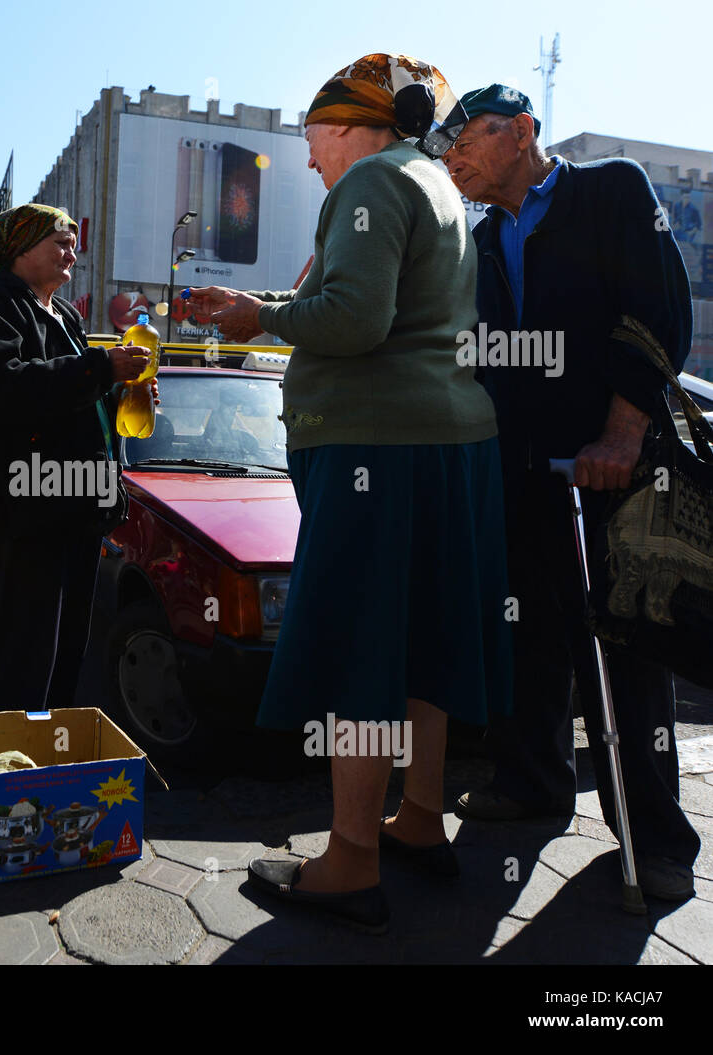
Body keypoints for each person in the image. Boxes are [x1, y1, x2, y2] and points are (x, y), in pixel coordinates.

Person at [189, 53, 511, 932]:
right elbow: (378, 305)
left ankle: (350, 860)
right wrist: (258, 305)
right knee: (428, 643)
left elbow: (356, 322)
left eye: (311, 138)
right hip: (453, 443)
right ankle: (419, 818)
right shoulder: (436, 183)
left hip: (377, 446)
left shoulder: (368, 180)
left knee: (363, 651)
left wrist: (258, 318)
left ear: (349, 125)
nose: (307, 160)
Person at [443, 84, 699, 900]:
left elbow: (659, 309)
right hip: (524, 470)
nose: (454, 158)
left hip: (612, 471)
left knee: (628, 647)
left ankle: (657, 838)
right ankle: (532, 781)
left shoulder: (611, 190)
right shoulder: (479, 239)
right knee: (530, 633)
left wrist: (622, 433)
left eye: (467, 141)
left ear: (521, 131)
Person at [0, 203, 151, 713]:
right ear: (22, 248)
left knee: (65, 654)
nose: (72, 251)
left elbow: (75, 396)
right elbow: (3, 390)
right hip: (27, 512)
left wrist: (120, 391)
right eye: (60, 242)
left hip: (75, 506)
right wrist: (98, 368)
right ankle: (5, 777)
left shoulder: (63, 314)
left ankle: (47, 769)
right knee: (22, 657)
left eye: (73, 242)